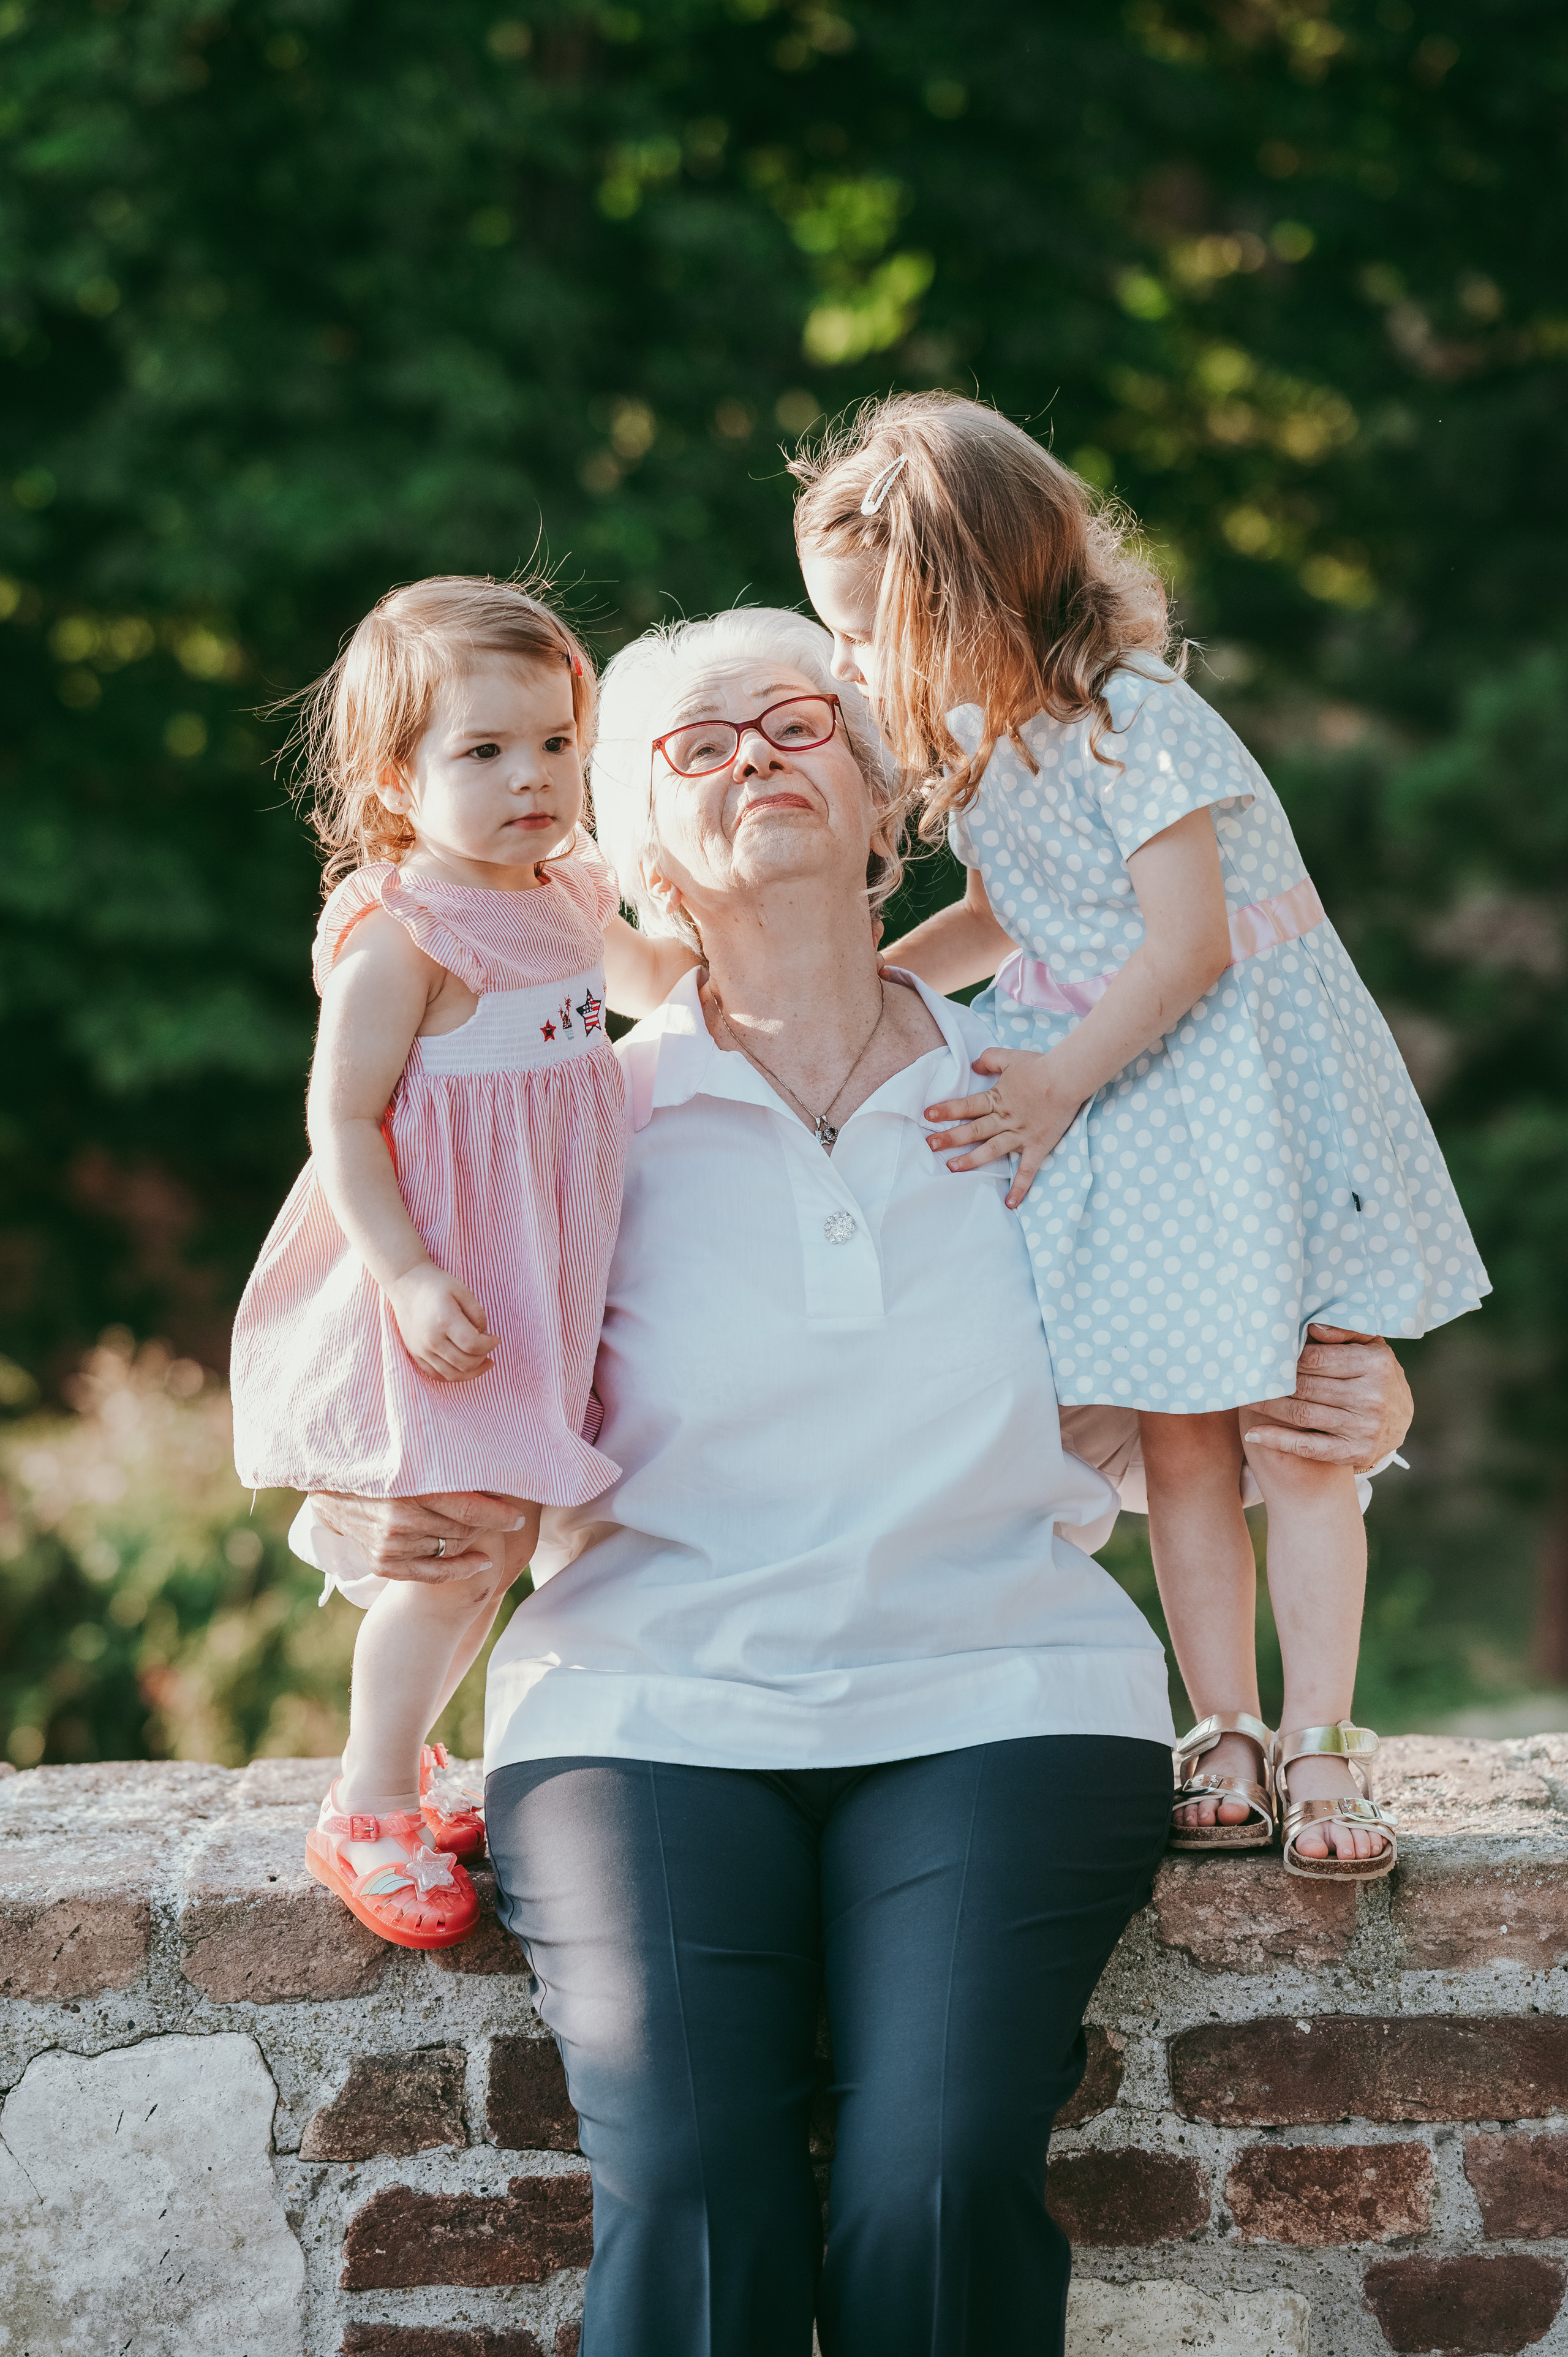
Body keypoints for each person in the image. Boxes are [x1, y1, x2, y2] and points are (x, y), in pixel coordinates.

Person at [300, 607, 1414, 2355]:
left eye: (801, 721)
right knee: (689, 2177)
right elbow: (416, 1380)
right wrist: (376, 1511)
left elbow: (1228, 1374)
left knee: (940, 2174)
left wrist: (1351, 1388)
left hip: (1011, 1697)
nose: (756, 754)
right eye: (695, 743)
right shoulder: (574, 1124)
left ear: (893, 804)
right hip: (644, 1704)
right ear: (631, 852)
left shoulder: (1051, 1093)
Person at [793, 391, 1488, 1881]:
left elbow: (1186, 949)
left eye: (861, 632)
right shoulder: (984, 743)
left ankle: (1320, 1736)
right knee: (1179, 1435)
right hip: (1140, 1114)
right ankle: (1219, 1722)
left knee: (1299, 1429)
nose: (847, 667)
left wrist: (1048, 1087)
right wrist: (875, 977)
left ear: (959, 596)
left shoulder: (1135, 720)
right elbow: (1013, 913)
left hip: (1237, 1103)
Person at [230, 575, 694, 1950]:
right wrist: (410, 1276)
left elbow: (649, 985)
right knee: (448, 1551)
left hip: (541, 1274)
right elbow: (342, 1120)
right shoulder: (409, 934)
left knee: (494, 1542)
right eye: (481, 752)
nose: (530, 777)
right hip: (451, 1283)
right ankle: (365, 1800)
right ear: (395, 776)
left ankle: (413, 1756)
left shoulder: (559, 891)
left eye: (553, 742)